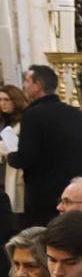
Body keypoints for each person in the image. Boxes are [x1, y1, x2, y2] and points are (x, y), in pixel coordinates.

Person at [4, 65, 82, 227]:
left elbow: (26, 157)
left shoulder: (33, 114)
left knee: (46, 239)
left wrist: (10, 156)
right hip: (77, 191)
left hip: (44, 194)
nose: (24, 85)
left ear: (38, 85)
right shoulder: (76, 114)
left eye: (27, 81)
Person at [0, 84, 29, 218]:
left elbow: (17, 146)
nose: (2, 104)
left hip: (16, 169)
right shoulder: (4, 121)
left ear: (15, 100)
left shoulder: (24, 121)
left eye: (6, 100)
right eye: (0, 100)